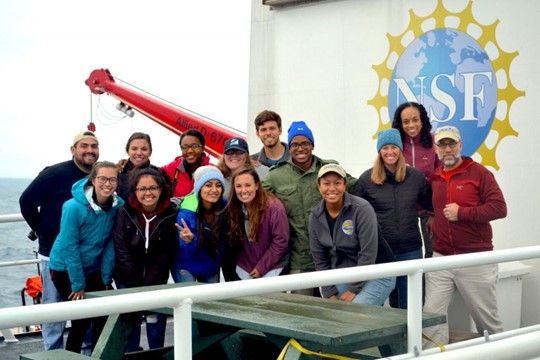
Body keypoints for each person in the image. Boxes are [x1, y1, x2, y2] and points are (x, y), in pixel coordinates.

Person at [423, 126, 507, 347]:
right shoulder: (435, 177)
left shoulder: (480, 173)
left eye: (452, 144)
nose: (447, 149)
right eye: (442, 144)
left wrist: (462, 213)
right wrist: (433, 216)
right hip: (441, 258)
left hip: (475, 259)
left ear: (460, 145)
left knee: (487, 321)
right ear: (436, 149)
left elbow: (499, 208)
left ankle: (502, 354)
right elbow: (435, 206)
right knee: (431, 318)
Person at [19, 130, 99, 351]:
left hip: (86, 256)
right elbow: (26, 201)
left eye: (94, 146)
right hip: (53, 255)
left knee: (87, 311)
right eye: (84, 146)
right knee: (54, 310)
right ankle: (52, 353)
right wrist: (41, 230)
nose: (90, 150)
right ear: (73, 150)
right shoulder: (54, 174)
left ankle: (87, 353)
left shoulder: (100, 176)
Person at [263, 120, 356, 295]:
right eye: (295, 144)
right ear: (289, 148)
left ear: (312, 145)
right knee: (302, 313)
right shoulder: (276, 176)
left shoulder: (329, 168)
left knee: (335, 311)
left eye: (305, 143)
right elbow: (254, 198)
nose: (300, 148)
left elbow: (357, 186)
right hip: (299, 260)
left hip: (333, 258)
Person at [49, 161, 124, 354]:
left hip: (93, 267)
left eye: (112, 179)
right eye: (102, 178)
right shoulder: (73, 207)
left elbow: (110, 244)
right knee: (81, 320)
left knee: (103, 316)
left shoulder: (117, 206)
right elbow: (68, 245)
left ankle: (98, 355)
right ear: (92, 179)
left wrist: (106, 278)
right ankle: (72, 358)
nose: (107, 184)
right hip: (65, 268)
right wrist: (77, 284)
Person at [355, 128, 433, 309]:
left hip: (410, 251)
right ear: (379, 151)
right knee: (377, 305)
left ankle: (411, 338)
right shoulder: (367, 180)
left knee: (410, 305)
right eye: (385, 148)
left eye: (394, 147)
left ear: (400, 149)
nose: (390, 152)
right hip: (380, 253)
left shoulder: (415, 177)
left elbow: (429, 207)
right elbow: (357, 216)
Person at [112, 165, 178, 352]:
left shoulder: (170, 213)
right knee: (131, 323)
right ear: (135, 190)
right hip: (127, 279)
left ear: (160, 189)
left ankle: (156, 353)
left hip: (156, 280)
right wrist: (133, 281)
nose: (147, 193)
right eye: (142, 189)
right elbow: (121, 248)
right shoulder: (124, 212)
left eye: (153, 188)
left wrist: (151, 282)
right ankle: (133, 354)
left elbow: (168, 251)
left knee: (155, 321)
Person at [310, 164, 395, 305]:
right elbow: (320, 260)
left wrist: (353, 290)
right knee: (334, 313)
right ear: (319, 186)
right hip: (344, 273)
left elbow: (368, 254)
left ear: (345, 185)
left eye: (337, 183)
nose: (332, 188)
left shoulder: (362, 209)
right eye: (326, 183)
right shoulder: (315, 216)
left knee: (354, 313)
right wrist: (329, 292)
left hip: (378, 272)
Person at [392, 102, 440, 258]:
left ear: (422, 121)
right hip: (405, 209)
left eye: (415, 120)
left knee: (432, 253)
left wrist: (434, 213)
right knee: (411, 255)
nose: (411, 125)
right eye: (406, 122)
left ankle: (429, 283)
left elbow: (440, 177)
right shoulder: (395, 145)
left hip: (429, 209)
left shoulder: (434, 142)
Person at [227, 165, 289, 280]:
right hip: (245, 268)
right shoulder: (233, 207)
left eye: (248, 185)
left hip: (273, 269)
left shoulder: (274, 207)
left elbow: (281, 242)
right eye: (238, 186)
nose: (243, 191)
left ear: (256, 185)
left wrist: (261, 268)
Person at [173, 166, 228, 284]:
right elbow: (187, 249)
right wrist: (190, 240)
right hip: (186, 264)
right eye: (208, 185)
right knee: (189, 300)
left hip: (211, 264)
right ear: (199, 188)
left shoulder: (225, 207)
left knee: (211, 301)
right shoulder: (187, 211)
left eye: (218, 185)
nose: (214, 190)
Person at [162, 129, 212, 198]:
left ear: (203, 148)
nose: (190, 151)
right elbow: (152, 173)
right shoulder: (173, 167)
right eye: (185, 147)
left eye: (194, 146)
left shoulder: (212, 170)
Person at [116, 132, 152, 201]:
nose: (139, 153)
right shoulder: (118, 172)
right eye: (134, 149)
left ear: (150, 152)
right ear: (128, 151)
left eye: (144, 149)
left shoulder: (158, 174)